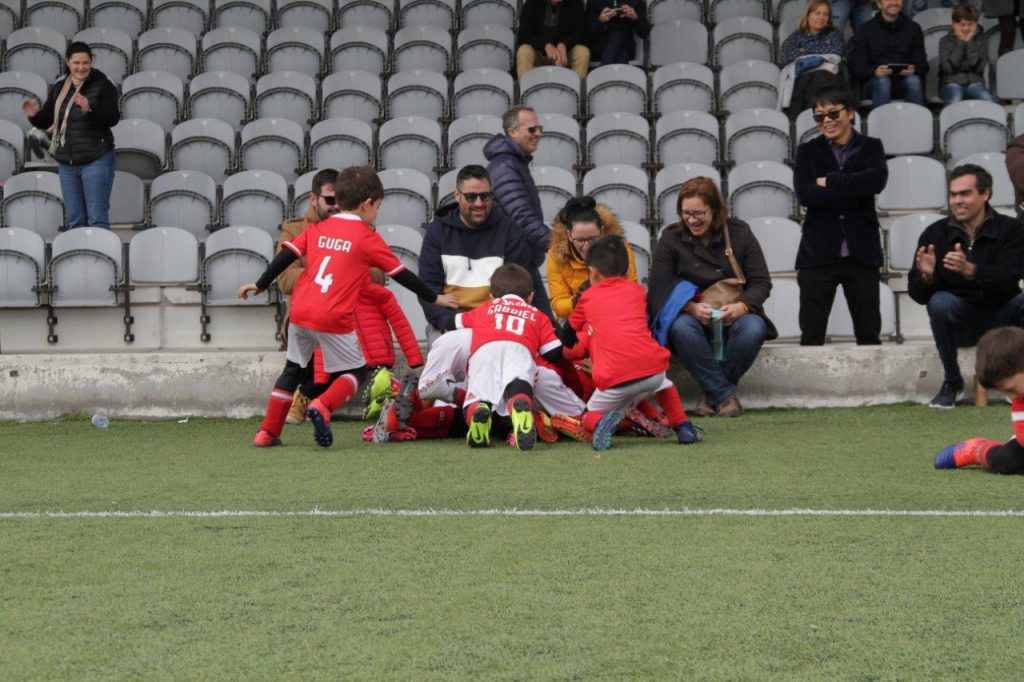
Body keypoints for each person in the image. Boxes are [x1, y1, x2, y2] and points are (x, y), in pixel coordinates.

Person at [237, 165, 459, 449]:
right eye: (378, 206)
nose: (377, 213)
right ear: (367, 204)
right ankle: (322, 405)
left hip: (301, 313)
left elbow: (286, 255)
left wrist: (259, 283)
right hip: (333, 316)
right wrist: (434, 297)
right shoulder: (367, 237)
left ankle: (267, 432)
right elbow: (401, 274)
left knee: (292, 369)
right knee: (356, 372)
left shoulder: (318, 229)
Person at [647, 177, 775, 419]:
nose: (692, 220)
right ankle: (724, 394)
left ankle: (712, 393)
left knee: (753, 328)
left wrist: (742, 306)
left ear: (715, 210)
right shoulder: (671, 237)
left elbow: (761, 282)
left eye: (699, 213)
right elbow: (658, 286)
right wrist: (690, 308)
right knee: (681, 328)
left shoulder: (739, 233)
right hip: (692, 315)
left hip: (734, 312)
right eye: (686, 213)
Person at [561, 235, 701, 450]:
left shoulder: (588, 298)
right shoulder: (637, 291)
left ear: (593, 273)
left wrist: (566, 341)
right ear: (627, 272)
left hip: (615, 378)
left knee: (587, 416)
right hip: (652, 369)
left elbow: (569, 333)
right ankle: (683, 427)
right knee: (665, 385)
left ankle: (601, 425)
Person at [907, 164, 1024, 409]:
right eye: (953, 194)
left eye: (965, 193)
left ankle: (1017, 380)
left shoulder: (1012, 230)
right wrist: (926, 277)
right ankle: (952, 382)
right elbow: (918, 296)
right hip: (961, 322)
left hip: (1003, 319)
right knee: (939, 301)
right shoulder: (934, 233)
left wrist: (971, 270)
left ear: (986, 194)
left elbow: (1011, 278)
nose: (957, 201)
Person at [793, 87, 888, 346]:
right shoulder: (807, 151)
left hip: (862, 251)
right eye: (819, 116)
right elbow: (806, 194)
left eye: (833, 113)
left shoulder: (871, 146)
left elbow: (876, 181)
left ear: (851, 114)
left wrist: (831, 181)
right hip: (818, 251)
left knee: (869, 333)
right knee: (811, 335)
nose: (826, 121)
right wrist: (853, 189)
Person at [418, 164, 532, 346]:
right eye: (471, 197)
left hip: (496, 322)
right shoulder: (437, 232)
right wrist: (447, 321)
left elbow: (517, 289)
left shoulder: (510, 232)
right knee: (441, 358)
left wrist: (491, 322)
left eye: (485, 196)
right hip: (450, 322)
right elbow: (427, 288)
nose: (479, 203)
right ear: (457, 195)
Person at [455, 263, 563, 451]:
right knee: (519, 382)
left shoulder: (485, 308)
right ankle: (520, 411)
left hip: (484, 351)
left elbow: (455, 322)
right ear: (530, 296)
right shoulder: (536, 314)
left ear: (491, 296)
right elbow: (553, 352)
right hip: (519, 349)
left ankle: (479, 412)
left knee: (479, 394)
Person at [22, 41, 119, 229]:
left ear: (91, 62)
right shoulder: (60, 87)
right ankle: (78, 257)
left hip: (96, 158)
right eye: (76, 63)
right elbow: (46, 119)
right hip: (67, 162)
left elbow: (113, 118)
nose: (81, 67)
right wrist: (34, 116)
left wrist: (89, 108)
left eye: (85, 63)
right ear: (68, 62)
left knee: (97, 218)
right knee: (75, 219)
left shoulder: (103, 85)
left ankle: (98, 257)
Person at [484, 106, 554, 319]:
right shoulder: (505, 165)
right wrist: (558, 247)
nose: (538, 133)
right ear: (512, 132)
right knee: (544, 325)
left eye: (539, 128)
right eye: (532, 129)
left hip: (518, 258)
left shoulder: (512, 162)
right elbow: (522, 217)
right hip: (514, 262)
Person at [934, 327, 1024, 472]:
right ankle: (978, 449)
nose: (1012, 397)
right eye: (1007, 392)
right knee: (1004, 462)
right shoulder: (1020, 399)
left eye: (1012, 389)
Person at [547, 196, 637, 320]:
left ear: (602, 231)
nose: (587, 245)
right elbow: (558, 303)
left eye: (593, 239)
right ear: (569, 235)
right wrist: (578, 300)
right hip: (576, 316)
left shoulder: (619, 247)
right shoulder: (556, 255)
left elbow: (631, 289)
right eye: (580, 240)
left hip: (614, 312)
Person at [848, 0, 928, 108]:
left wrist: (914, 70)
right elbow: (856, 67)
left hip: (902, 82)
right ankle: (882, 123)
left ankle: (917, 123)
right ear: (879, 4)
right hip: (873, 84)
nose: (894, 2)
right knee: (883, 82)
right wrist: (874, 71)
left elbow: (923, 64)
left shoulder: (913, 28)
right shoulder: (865, 29)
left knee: (914, 81)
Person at [779, 0, 848, 113]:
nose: (821, 17)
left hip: (830, 78)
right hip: (803, 80)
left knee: (820, 77)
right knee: (814, 79)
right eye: (817, 13)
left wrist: (805, 52)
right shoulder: (795, 37)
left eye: (825, 14)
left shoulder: (835, 34)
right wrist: (821, 55)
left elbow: (836, 52)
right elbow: (790, 55)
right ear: (808, 15)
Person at [516, 0, 590, 80]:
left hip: (564, 54)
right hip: (539, 53)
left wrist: (564, 44)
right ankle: (526, 90)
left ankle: (575, 90)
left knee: (583, 52)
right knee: (524, 51)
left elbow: (581, 34)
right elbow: (523, 36)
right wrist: (545, 46)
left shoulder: (576, 3)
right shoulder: (532, 3)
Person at [938, 4, 997, 105]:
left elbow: (978, 68)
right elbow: (950, 68)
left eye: (970, 24)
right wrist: (961, 42)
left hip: (975, 83)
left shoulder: (982, 40)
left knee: (989, 100)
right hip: (951, 84)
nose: (966, 28)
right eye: (962, 24)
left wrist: (969, 42)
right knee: (955, 99)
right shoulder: (944, 41)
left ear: (976, 24)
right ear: (954, 25)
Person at [585, 0, 650, 66]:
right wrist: (600, 21)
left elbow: (644, 33)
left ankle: (602, 74)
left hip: (627, 44)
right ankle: (606, 75)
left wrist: (635, 17)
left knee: (617, 35)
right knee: (622, 54)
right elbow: (588, 33)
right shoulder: (593, 1)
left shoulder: (636, 1)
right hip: (600, 48)